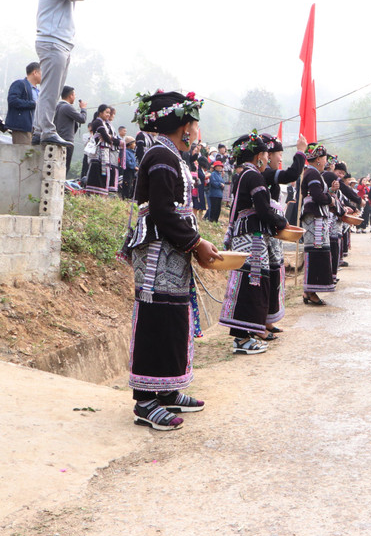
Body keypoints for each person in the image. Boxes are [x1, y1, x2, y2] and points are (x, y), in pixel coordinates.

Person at [123, 90, 219, 431]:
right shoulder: (161, 157)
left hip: (171, 251)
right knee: (157, 317)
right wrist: (195, 242)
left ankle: (166, 389)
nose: (197, 131)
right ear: (184, 127)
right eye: (195, 123)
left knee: (173, 314)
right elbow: (163, 211)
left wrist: (192, 243)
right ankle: (146, 402)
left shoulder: (170, 155)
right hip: (157, 254)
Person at [218, 134, 287, 354]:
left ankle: (245, 335)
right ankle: (241, 338)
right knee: (252, 282)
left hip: (247, 235)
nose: (267, 159)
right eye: (266, 154)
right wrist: (281, 221)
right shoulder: (254, 177)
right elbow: (263, 209)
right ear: (258, 156)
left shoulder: (244, 175)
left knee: (251, 281)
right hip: (252, 237)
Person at [34, 0, 109, 145]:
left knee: (52, 89)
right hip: (53, 42)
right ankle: (47, 130)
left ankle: (38, 130)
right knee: (50, 90)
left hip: (61, 44)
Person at [261, 133, 307, 334]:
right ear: (267, 156)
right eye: (279, 155)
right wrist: (300, 152)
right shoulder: (264, 174)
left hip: (273, 231)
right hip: (265, 232)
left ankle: (269, 320)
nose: (281, 159)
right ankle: (262, 322)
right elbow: (291, 175)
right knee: (267, 276)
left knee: (274, 274)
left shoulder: (268, 174)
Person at [300, 143, 338, 305]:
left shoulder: (314, 173)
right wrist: (330, 199)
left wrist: (329, 193)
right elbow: (316, 195)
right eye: (323, 158)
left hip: (317, 217)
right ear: (317, 160)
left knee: (319, 251)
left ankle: (310, 290)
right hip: (314, 218)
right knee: (315, 251)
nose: (325, 161)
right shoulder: (313, 174)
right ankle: (310, 290)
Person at [84, 104, 120, 195]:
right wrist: (111, 141)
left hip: (106, 153)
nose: (108, 115)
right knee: (97, 173)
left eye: (109, 113)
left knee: (104, 174)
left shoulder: (106, 124)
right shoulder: (97, 122)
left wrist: (110, 139)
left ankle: (102, 193)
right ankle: (95, 194)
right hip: (99, 153)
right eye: (106, 112)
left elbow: (109, 137)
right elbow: (105, 136)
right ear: (100, 112)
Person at [5, 63, 41, 145]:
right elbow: (12, 101)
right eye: (42, 73)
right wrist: (33, 104)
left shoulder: (37, 91)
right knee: (23, 154)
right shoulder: (20, 84)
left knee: (33, 155)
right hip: (22, 127)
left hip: (34, 129)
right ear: (35, 72)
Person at [54, 85, 86, 176]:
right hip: (66, 141)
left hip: (57, 139)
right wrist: (83, 109)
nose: (75, 97)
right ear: (71, 95)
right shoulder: (67, 107)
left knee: (58, 165)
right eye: (74, 95)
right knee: (64, 167)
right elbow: (82, 119)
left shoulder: (57, 106)